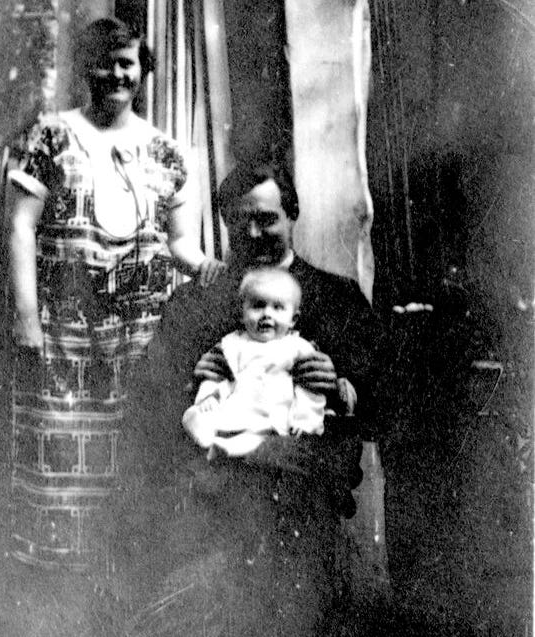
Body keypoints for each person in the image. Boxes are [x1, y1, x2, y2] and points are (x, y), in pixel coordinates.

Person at [125, 163, 384, 636]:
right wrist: (193, 385)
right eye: (238, 220)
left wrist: (341, 388)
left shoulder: (337, 297)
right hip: (216, 502)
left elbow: (381, 408)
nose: (252, 233)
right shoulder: (195, 304)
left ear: (293, 215)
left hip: (307, 498)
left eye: (266, 218)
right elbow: (148, 403)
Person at [7, 17, 223, 569]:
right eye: (104, 61)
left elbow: (181, 243)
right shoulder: (51, 134)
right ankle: (55, 582)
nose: (115, 73)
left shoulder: (168, 153)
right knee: (60, 444)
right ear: (86, 68)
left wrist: (212, 269)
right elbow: (22, 226)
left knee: (128, 450)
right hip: (63, 330)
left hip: (137, 335)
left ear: (142, 70)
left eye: (126, 61)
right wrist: (28, 317)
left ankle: (116, 578)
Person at [183, 267, 329, 458]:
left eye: (277, 307)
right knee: (205, 415)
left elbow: (310, 389)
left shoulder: (298, 348)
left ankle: (222, 449)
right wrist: (209, 397)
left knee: (255, 440)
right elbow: (217, 375)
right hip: (239, 403)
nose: (267, 314)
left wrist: (305, 421)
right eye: (258, 306)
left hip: (274, 412)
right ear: (242, 314)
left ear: (293, 319)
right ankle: (202, 428)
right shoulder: (233, 343)